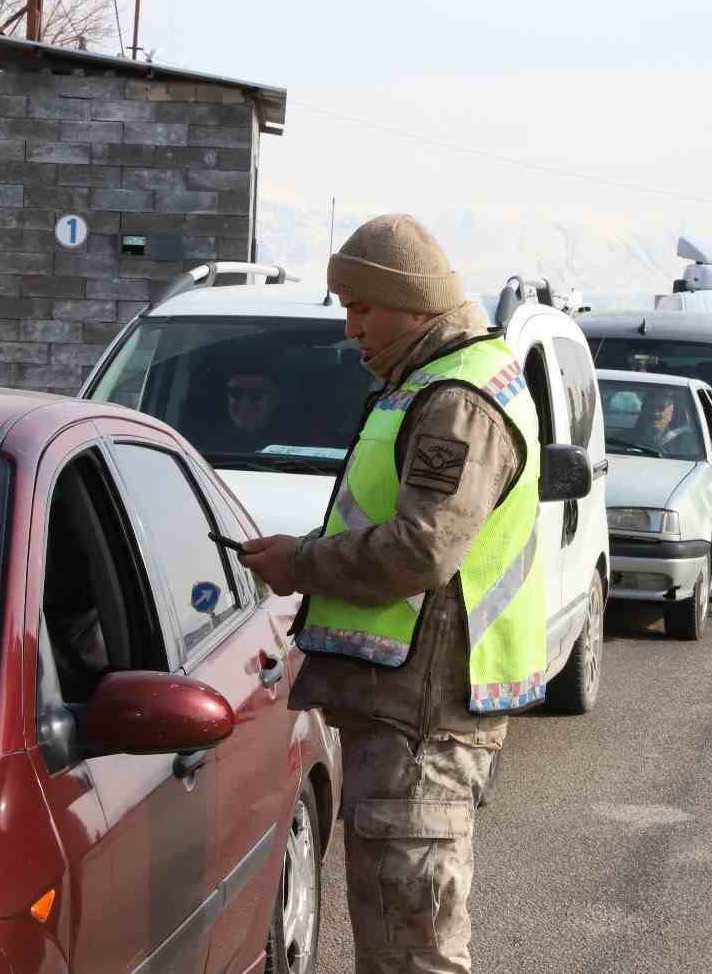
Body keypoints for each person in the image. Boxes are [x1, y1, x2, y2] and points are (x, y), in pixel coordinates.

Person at [241, 213, 544, 974]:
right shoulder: (426, 387)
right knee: (399, 941)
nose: (351, 329)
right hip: (408, 716)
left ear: (410, 303)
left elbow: (423, 548)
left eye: (363, 308)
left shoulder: (456, 401)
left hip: (421, 726)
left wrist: (302, 564)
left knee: (414, 951)